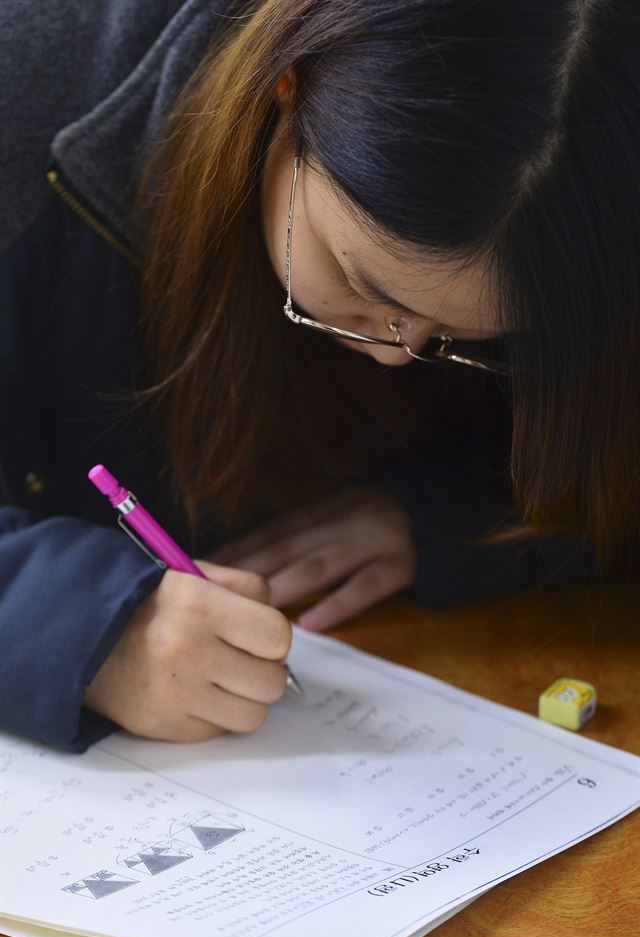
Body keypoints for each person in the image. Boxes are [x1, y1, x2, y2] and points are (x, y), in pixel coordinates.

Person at [1, 0, 637, 752]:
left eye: (464, 334)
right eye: (362, 282)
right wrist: (78, 621)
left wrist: (452, 514)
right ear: (287, 87)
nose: (395, 353)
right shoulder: (29, 91)